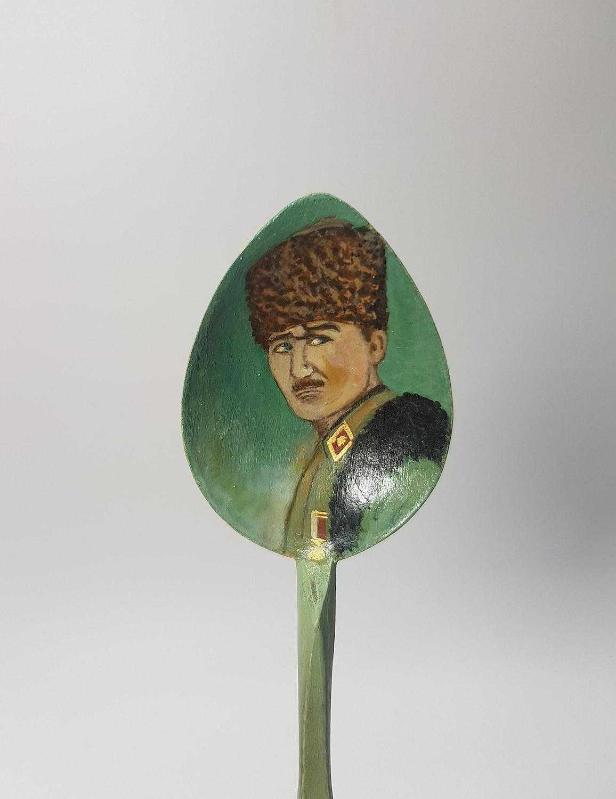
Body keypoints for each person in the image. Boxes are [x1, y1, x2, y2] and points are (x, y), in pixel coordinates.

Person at [245, 219, 450, 559]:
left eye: (319, 339)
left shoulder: (405, 450)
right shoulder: (323, 453)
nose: (299, 368)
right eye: (283, 347)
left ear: (375, 345)